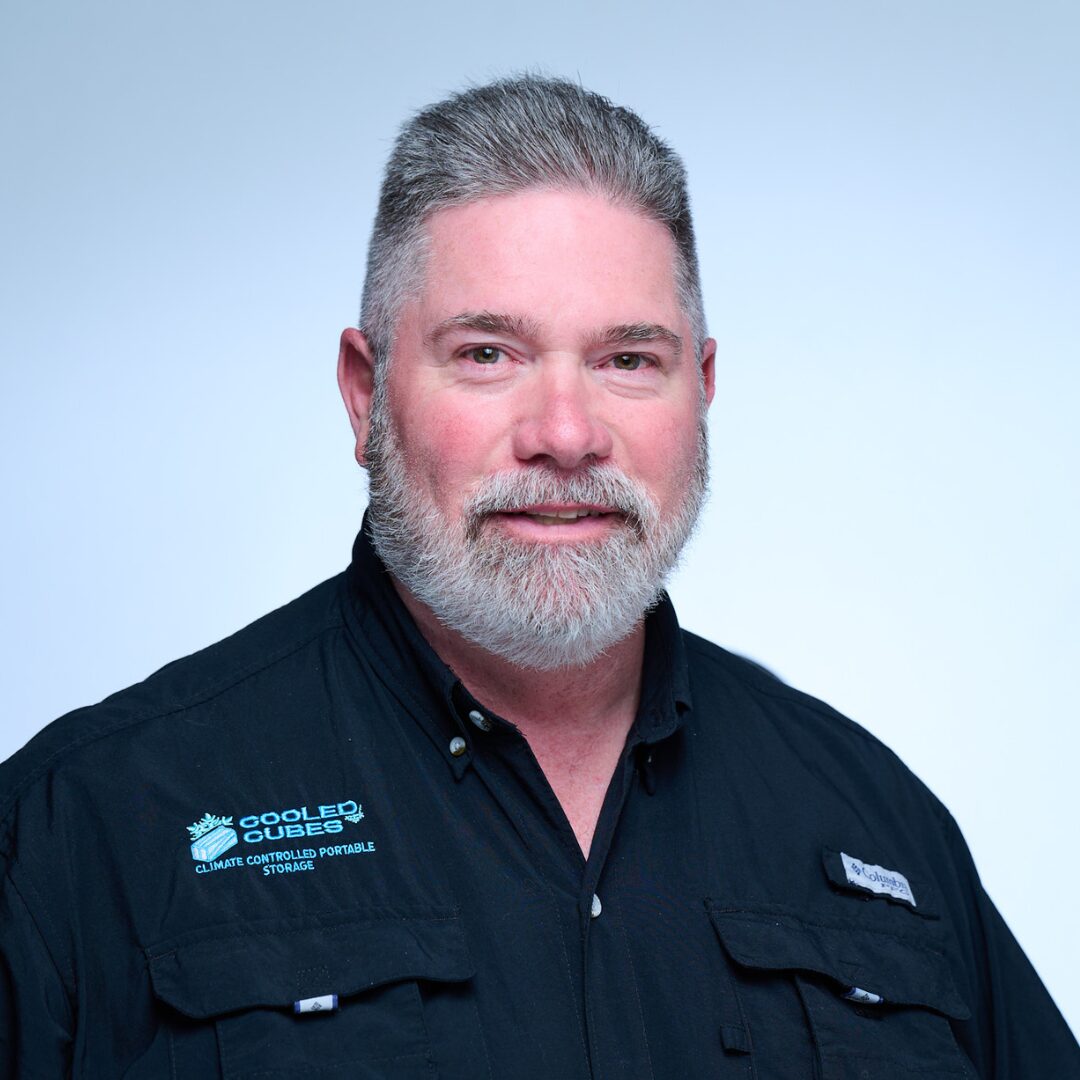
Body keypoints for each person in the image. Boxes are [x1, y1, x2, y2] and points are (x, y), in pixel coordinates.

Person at [0, 76, 1075, 1079]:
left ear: (700, 390)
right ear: (365, 393)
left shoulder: (878, 824)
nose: (565, 437)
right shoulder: (88, 822)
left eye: (627, 360)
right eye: (487, 354)